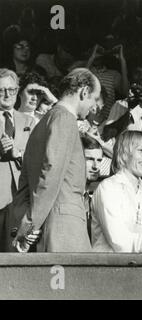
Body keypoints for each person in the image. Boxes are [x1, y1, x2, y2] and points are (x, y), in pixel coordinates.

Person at [12, 68, 101, 252]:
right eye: (94, 98)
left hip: (47, 228)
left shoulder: (42, 124)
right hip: (65, 230)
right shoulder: (64, 119)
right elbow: (50, 173)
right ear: (84, 92)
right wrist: (30, 224)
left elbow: (25, 182)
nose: (94, 107)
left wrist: (25, 220)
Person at [0, 69, 37, 252]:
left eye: (11, 90)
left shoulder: (30, 122)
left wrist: (18, 153)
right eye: (1, 90)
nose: (7, 95)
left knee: (15, 255)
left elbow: (38, 157)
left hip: (20, 200)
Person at [81, 135, 103, 241]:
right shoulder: (64, 197)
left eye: (99, 160)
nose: (95, 166)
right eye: (89, 159)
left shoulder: (94, 201)